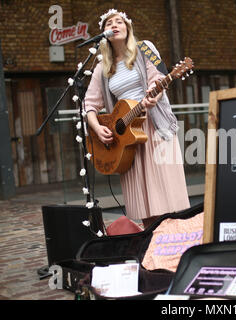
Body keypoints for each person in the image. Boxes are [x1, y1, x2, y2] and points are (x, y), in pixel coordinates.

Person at [84, 9, 190, 228]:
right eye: (108, 24)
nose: (114, 25)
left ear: (127, 27)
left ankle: (175, 242)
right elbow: (89, 105)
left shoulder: (146, 48)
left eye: (119, 22)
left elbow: (159, 77)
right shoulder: (101, 68)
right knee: (143, 200)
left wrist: (155, 93)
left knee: (165, 194)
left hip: (153, 126)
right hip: (126, 139)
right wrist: (96, 127)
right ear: (104, 34)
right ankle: (151, 243)